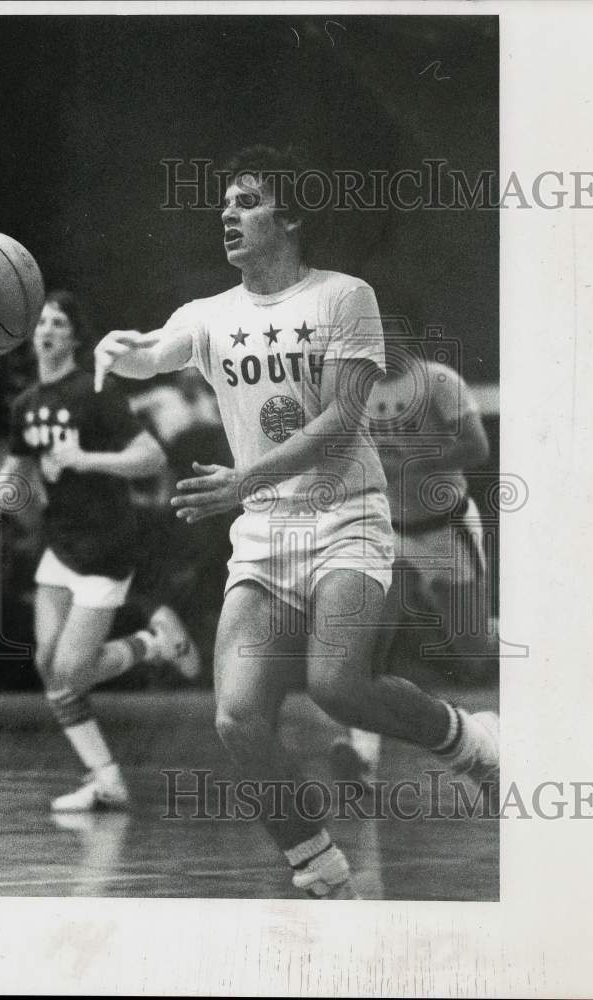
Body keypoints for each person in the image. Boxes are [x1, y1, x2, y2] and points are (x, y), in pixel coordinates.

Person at [94, 146, 498, 899]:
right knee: (237, 719)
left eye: (247, 200)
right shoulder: (210, 314)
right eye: (224, 202)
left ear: (292, 215)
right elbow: (153, 354)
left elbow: (344, 423)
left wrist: (244, 477)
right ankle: (318, 865)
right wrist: (120, 351)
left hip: (348, 517)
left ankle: (470, 742)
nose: (228, 212)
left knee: (338, 686)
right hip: (266, 533)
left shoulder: (345, 297)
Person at [0, 290, 201, 812]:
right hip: (60, 543)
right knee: (50, 667)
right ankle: (107, 780)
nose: (47, 330)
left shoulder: (95, 391)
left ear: (73, 336)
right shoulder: (26, 405)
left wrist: (84, 458)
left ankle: (153, 646)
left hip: (106, 543)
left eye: (58, 323)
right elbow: (15, 479)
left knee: (71, 672)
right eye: (41, 323)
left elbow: (151, 458)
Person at [330, 357, 494, 785]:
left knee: (474, 648)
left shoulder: (439, 380)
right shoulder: (353, 388)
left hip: (445, 529)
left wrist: (412, 464)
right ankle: (361, 751)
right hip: (391, 530)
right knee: (367, 650)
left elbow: (477, 447)